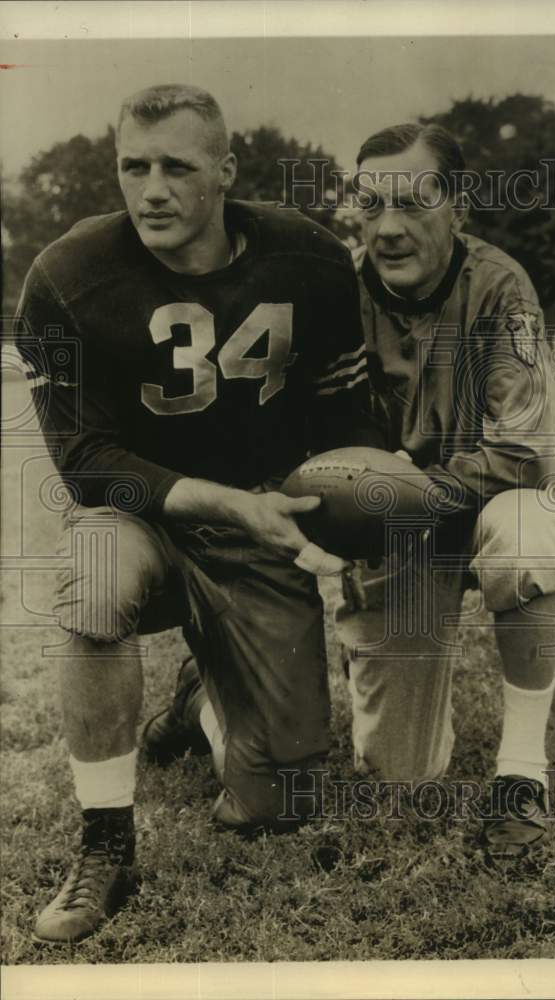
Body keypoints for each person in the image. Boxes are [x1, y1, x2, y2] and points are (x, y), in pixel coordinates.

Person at [15, 83, 383, 943]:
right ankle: (107, 839)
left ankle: (196, 703)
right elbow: (85, 465)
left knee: (280, 800)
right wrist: (233, 506)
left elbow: (346, 415)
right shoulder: (67, 279)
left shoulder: (310, 258)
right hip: (140, 517)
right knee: (95, 583)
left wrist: (360, 493)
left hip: (262, 523)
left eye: (176, 167)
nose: (151, 190)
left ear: (225, 170)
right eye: (132, 167)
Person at [335, 122, 555, 856]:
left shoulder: (501, 286)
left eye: (413, 202)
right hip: (391, 534)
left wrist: (415, 486)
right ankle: (201, 693)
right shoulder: (334, 294)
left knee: (530, 530)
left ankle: (521, 773)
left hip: (474, 508)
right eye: (371, 206)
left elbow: (522, 452)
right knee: (399, 778)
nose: (390, 228)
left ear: (461, 206)